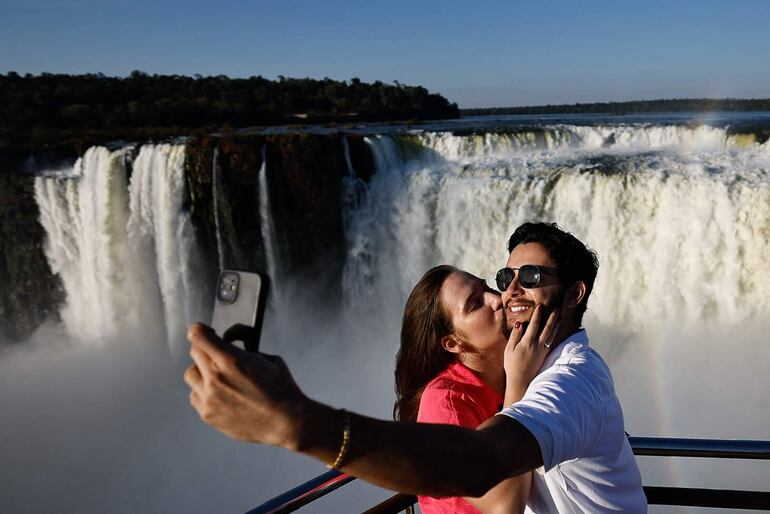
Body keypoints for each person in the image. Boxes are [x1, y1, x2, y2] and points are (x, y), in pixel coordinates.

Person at [184, 222, 647, 513]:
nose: (507, 293)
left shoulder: (571, 379)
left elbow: (479, 461)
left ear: (573, 295)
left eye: (531, 278)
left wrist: (297, 423)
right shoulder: (517, 371)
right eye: (506, 278)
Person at [395, 265, 554, 513]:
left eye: (486, 287)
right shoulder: (446, 402)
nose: (496, 300)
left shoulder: (518, 362)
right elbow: (507, 506)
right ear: (453, 343)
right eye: (475, 303)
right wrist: (518, 384)